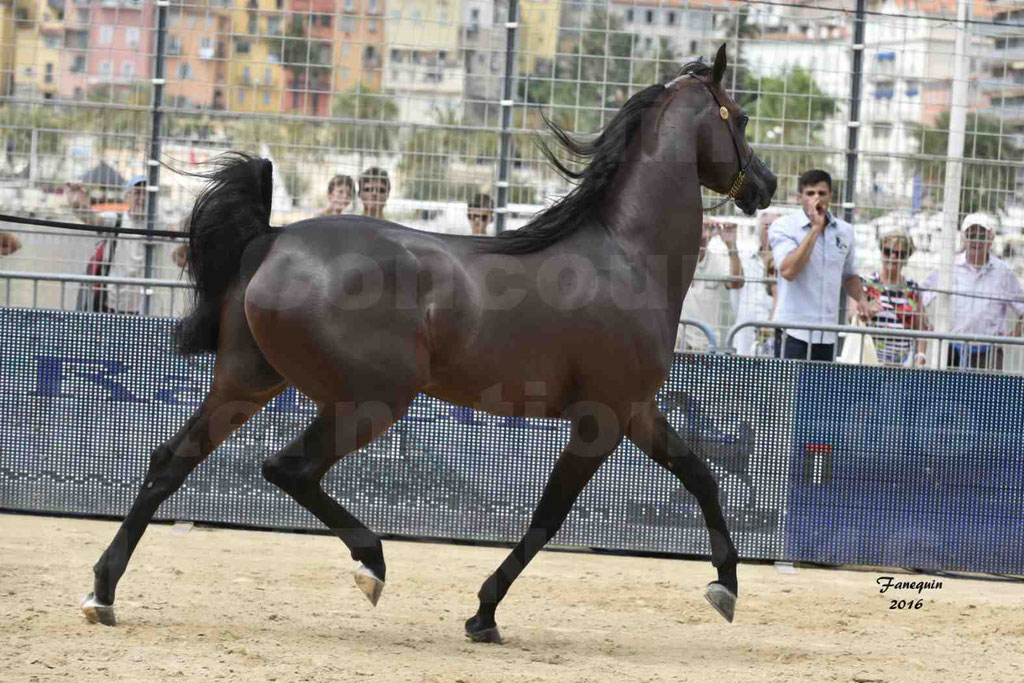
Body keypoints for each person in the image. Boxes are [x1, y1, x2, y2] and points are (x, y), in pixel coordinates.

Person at [769, 169, 871, 361]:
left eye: (822, 193)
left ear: (830, 196)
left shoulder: (845, 231)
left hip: (827, 334)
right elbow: (788, 271)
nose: (816, 198)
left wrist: (862, 300)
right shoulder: (784, 226)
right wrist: (815, 229)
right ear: (800, 197)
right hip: (793, 333)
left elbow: (849, 275)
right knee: (790, 391)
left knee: (821, 391)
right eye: (810, 193)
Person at [922, 212, 1024, 371]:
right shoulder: (949, 267)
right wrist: (929, 328)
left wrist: (1012, 336)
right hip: (951, 350)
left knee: (988, 395)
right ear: (963, 238)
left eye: (982, 236)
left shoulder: (1003, 273)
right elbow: (920, 297)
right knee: (947, 395)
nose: (976, 241)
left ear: (990, 240)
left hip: (988, 353)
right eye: (971, 235)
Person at [68, 174, 151, 314]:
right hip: (111, 302)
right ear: (127, 196)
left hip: (144, 306)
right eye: (137, 193)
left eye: (146, 194)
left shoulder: (155, 225)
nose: (141, 198)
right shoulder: (116, 220)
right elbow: (90, 217)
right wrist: (77, 202)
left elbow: (175, 228)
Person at [857, 229, 929, 366]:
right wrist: (865, 311)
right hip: (870, 362)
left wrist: (920, 358)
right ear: (881, 253)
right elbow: (852, 317)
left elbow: (921, 328)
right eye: (888, 251)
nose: (893, 257)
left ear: (906, 258)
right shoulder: (868, 284)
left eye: (900, 254)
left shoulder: (912, 289)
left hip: (902, 366)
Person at [676, 217, 744, 353]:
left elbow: (736, 283)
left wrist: (731, 245)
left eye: (707, 227)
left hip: (706, 342)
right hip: (678, 341)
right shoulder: (677, 257)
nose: (704, 232)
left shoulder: (717, 260)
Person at [731, 210, 779, 356]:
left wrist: (771, 324)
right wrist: (730, 244)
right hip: (744, 337)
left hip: (772, 338)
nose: (770, 231)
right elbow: (734, 282)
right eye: (766, 226)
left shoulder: (785, 265)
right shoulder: (747, 258)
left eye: (774, 226)